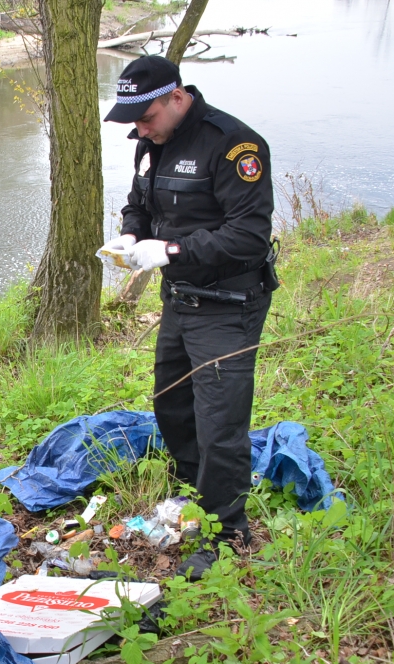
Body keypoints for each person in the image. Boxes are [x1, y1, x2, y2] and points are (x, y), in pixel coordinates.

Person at [100, 55, 276, 580]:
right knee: (172, 401)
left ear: (177, 98)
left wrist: (172, 250)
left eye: (146, 116)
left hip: (228, 303)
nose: (139, 128)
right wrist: (132, 234)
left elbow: (249, 235)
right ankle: (196, 491)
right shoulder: (151, 143)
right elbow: (140, 201)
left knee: (220, 420)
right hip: (181, 300)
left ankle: (228, 531)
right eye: (132, 119)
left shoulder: (235, 145)